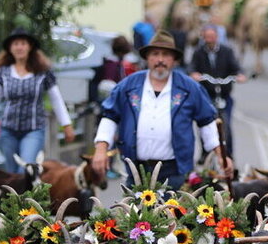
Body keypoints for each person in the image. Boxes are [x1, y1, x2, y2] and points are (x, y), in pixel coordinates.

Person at [91, 30, 233, 189]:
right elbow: (110, 117)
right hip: (136, 169)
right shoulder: (128, 85)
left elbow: (207, 122)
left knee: (174, 212)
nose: (160, 59)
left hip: (174, 172)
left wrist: (222, 155)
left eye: (166, 54)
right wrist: (101, 149)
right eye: (155, 54)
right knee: (134, 212)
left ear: (174, 60)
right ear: (147, 58)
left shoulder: (190, 88)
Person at [0, 28, 75, 174]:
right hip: (8, 130)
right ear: (10, 48)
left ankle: (26, 196)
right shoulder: (3, 72)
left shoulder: (43, 72)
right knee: (11, 174)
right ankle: (15, 197)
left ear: (29, 47)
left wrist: (66, 125)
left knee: (24, 170)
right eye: (15, 44)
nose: (19, 47)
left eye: (23, 43)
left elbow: (56, 100)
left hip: (33, 129)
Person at [190, 25, 246, 154]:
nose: (210, 40)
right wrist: (194, 74)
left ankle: (229, 154)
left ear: (217, 37)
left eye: (212, 37)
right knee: (205, 124)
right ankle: (205, 153)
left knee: (227, 124)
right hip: (207, 94)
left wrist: (240, 75)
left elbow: (235, 66)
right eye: (207, 37)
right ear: (203, 37)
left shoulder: (227, 51)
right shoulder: (198, 52)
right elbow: (192, 67)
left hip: (224, 93)